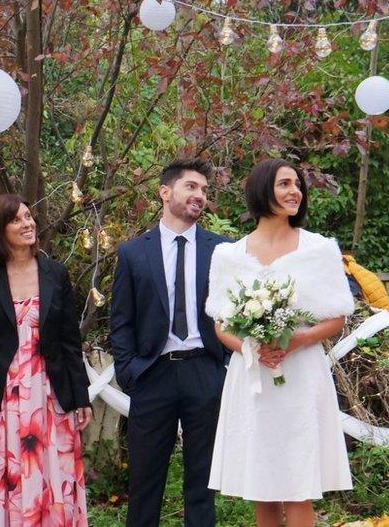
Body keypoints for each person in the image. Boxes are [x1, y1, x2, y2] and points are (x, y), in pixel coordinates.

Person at [204, 159, 354, 527]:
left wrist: (297, 340)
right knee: (261, 481)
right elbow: (221, 325)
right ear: (262, 189)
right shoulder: (229, 255)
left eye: (298, 185)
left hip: (300, 374)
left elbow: (337, 317)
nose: (295, 192)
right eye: (285, 184)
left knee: (299, 481)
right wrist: (252, 348)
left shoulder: (318, 249)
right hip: (253, 378)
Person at [110, 158, 231, 526]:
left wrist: (221, 364)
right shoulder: (133, 253)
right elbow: (121, 320)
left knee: (202, 481)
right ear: (165, 192)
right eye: (191, 187)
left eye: (205, 190)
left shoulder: (221, 250)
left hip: (204, 372)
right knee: (145, 481)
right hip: (152, 374)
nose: (200, 195)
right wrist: (129, 372)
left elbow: (233, 310)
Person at [0, 194, 92, 526]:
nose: (28, 224)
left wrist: (81, 397)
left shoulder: (55, 273)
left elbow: (69, 340)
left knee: (54, 472)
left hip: (52, 393)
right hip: (4, 397)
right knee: (6, 477)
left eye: (29, 216)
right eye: (17, 219)